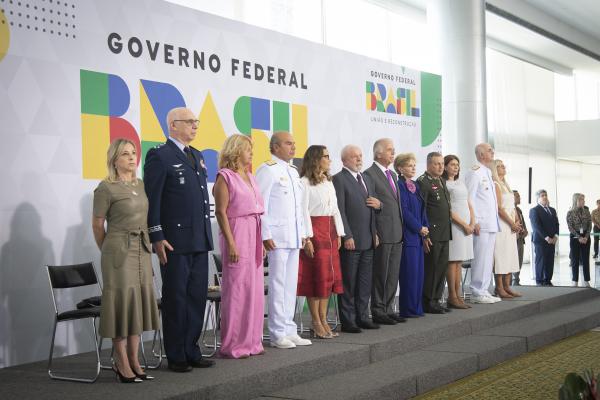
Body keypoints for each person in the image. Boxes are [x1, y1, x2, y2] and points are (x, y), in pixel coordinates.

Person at [144, 107, 214, 372]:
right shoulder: (160, 156)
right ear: (173, 125)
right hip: (174, 240)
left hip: (199, 239)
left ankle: (191, 349)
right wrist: (157, 236)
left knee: (196, 297)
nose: (195, 126)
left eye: (197, 121)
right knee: (176, 299)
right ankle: (176, 355)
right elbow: (153, 199)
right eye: (190, 122)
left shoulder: (196, 155)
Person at [92, 138, 160, 383]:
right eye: (125, 154)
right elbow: (98, 225)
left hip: (142, 249)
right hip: (118, 251)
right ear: (114, 159)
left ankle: (134, 360)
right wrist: (109, 251)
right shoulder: (105, 188)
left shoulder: (140, 184)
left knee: (137, 305)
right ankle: (121, 361)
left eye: (134, 153)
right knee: (121, 307)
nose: (132, 158)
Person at [256, 131, 312, 349]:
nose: (293, 147)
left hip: (294, 236)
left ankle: (289, 328)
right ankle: (278, 332)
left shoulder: (293, 171)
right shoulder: (267, 170)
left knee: (290, 285)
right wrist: (265, 234)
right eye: (288, 143)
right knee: (278, 285)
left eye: (294, 143)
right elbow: (261, 206)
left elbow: (299, 207)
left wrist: (304, 232)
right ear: (275, 147)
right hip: (277, 238)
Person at [213, 134, 265, 358]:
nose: (251, 153)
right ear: (235, 151)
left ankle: (252, 342)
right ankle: (233, 344)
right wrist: (231, 244)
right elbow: (221, 212)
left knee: (253, 290)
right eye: (247, 149)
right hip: (236, 232)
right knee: (237, 290)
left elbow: (256, 208)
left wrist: (261, 241)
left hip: (254, 232)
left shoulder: (251, 176)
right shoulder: (225, 177)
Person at [333, 145, 381, 333]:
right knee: (349, 282)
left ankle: (362, 317)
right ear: (344, 160)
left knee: (364, 282)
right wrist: (347, 235)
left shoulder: (367, 178)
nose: (359, 159)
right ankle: (348, 320)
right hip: (352, 241)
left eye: (360, 156)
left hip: (369, 238)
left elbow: (373, 206)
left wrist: (380, 206)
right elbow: (340, 211)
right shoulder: (339, 179)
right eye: (354, 157)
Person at [298, 145, 345, 339]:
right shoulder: (304, 182)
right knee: (316, 278)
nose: (329, 160)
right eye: (326, 156)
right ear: (316, 159)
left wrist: (340, 233)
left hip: (330, 231)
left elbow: (335, 209)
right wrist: (307, 238)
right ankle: (315, 321)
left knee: (328, 279)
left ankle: (324, 319)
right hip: (315, 232)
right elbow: (302, 211)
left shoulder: (328, 181)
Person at [364, 138, 405, 325]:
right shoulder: (369, 174)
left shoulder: (393, 175)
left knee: (392, 274)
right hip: (382, 231)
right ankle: (378, 310)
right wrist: (375, 231)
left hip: (397, 231)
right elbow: (369, 205)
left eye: (393, 149)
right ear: (378, 153)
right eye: (389, 150)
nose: (392, 153)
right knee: (380, 273)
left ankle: (388, 308)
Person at [464, 143, 501, 304]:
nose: (492, 152)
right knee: (480, 258)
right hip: (481, 223)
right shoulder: (475, 173)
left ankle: (484, 289)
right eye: (489, 150)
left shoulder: (487, 172)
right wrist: (475, 221)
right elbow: (469, 199)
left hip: (491, 223)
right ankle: (477, 291)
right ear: (480, 155)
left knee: (488, 259)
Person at [417, 152, 452, 314]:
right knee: (432, 268)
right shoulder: (423, 182)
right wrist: (426, 235)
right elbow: (421, 210)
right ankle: (428, 301)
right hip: (432, 233)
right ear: (429, 165)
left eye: (442, 164)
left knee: (442, 267)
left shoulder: (441, 180)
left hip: (444, 232)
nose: (440, 167)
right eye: (437, 164)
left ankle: (437, 299)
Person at [394, 153, 428, 317]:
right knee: (409, 275)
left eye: (414, 165)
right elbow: (404, 210)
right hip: (408, 235)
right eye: (409, 165)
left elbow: (422, 208)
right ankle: (407, 309)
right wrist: (418, 227)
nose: (413, 168)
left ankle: (416, 308)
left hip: (419, 236)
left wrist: (425, 227)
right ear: (400, 168)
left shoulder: (416, 185)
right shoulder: (399, 185)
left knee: (419, 275)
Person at [443, 154, 473, 309]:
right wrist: (463, 224)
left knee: (459, 260)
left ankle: (458, 294)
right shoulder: (444, 184)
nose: (456, 167)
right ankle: (452, 296)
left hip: (466, 226)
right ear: (445, 166)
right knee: (452, 260)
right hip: (455, 225)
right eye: (453, 164)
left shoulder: (461, 182)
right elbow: (447, 210)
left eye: (457, 164)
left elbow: (469, 204)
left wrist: (472, 222)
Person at [490, 160, 521, 298]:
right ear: (495, 169)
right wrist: (511, 222)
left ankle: (507, 286)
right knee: (501, 255)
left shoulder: (506, 185)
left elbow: (512, 207)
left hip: (510, 224)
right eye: (501, 166)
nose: (504, 167)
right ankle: (499, 287)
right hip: (502, 224)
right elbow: (499, 208)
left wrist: (516, 221)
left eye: (504, 165)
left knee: (510, 255)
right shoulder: (495, 184)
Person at [529, 189, 559, 286]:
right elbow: (536, 226)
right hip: (541, 241)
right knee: (541, 261)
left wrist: (555, 236)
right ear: (538, 198)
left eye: (545, 195)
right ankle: (540, 281)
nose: (545, 197)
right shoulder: (534, 210)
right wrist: (547, 238)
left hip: (552, 240)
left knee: (550, 261)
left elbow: (557, 224)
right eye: (542, 195)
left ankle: (548, 280)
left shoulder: (552, 210)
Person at [566, 193, 592, 287]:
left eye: (583, 199)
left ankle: (586, 280)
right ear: (576, 200)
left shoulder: (587, 211)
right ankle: (575, 280)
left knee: (585, 260)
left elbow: (589, 225)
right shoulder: (570, 212)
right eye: (581, 199)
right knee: (575, 260)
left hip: (586, 237)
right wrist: (579, 237)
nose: (583, 201)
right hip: (575, 237)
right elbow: (570, 227)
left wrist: (586, 236)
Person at [512, 190, 528, 285]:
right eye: (517, 196)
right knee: (512, 262)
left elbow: (522, 222)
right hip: (512, 239)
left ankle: (517, 280)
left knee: (519, 260)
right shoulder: (508, 210)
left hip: (520, 239)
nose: (519, 198)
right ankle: (511, 282)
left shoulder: (519, 210)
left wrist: (525, 230)